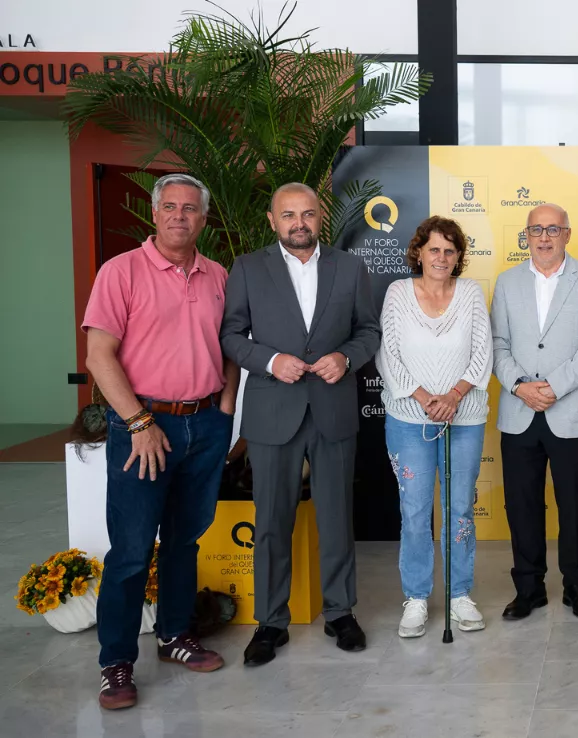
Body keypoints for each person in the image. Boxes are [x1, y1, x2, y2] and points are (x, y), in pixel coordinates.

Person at [83, 173, 239, 710]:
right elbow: (99, 356)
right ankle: (116, 662)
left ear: (203, 219)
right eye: (170, 206)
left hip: (205, 424)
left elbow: (230, 348)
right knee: (130, 550)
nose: (179, 215)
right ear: (154, 214)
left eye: (190, 208)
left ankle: (174, 635)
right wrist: (138, 422)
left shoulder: (218, 275)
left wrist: (225, 410)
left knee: (184, 541)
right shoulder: (120, 271)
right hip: (143, 427)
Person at [220, 182, 381, 665]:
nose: (299, 223)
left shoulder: (349, 267)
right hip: (273, 413)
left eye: (307, 214)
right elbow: (231, 334)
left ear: (319, 217)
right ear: (273, 221)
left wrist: (346, 358)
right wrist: (270, 361)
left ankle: (340, 612)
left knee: (336, 518)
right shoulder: (248, 267)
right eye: (288, 215)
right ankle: (271, 621)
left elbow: (368, 331)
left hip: (333, 409)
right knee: (271, 523)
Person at [491, 203, 578, 621]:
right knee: (522, 505)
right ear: (526, 236)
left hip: (571, 411)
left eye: (553, 229)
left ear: (567, 234)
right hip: (519, 410)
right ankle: (529, 590)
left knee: (574, 506)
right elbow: (497, 343)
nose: (544, 237)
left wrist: (554, 386)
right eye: (536, 230)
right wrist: (520, 386)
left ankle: (577, 589)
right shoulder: (506, 282)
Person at [376, 216, 492, 638]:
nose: (441, 257)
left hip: (465, 417)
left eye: (450, 250)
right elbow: (388, 355)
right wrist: (427, 399)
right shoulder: (397, 293)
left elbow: (483, 354)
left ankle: (459, 594)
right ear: (419, 253)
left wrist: (453, 396)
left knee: (459, 508)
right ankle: (417, 597)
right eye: (434, 249)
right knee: (414, 511)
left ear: (458, 256)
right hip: (410, 419)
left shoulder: (471, 293)